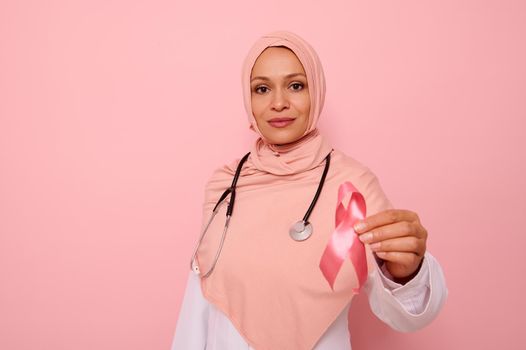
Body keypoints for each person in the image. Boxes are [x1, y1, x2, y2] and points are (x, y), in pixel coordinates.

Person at [171, 31, 447, 350]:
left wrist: (406, 275)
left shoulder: (351, 186)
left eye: (296, 85)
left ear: (315, 90)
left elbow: (402, 313)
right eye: (262, 89)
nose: (278, 103)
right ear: (249, 100)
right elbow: (200, 298)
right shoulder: (225, 185)